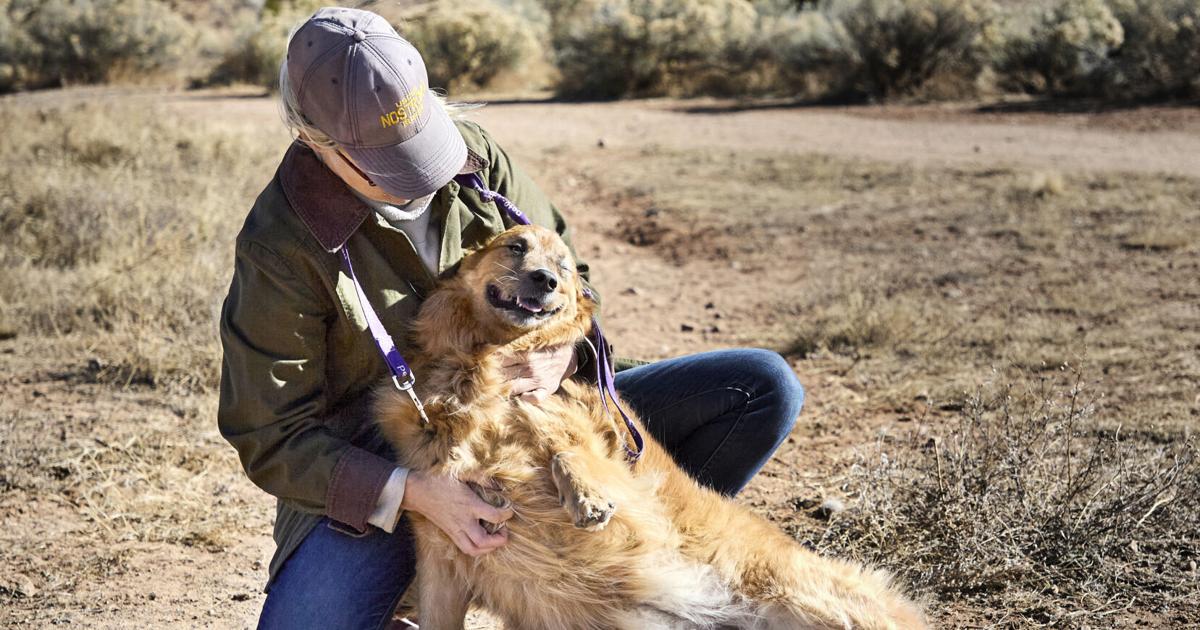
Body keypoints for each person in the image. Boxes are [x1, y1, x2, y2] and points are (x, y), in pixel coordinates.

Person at [217, 7, 805, 629]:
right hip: (397, 447)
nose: (419, 178)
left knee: (759, 388)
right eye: (387, 161)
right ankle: (432, 578)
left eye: (421, 142)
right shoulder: (280, 243)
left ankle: (607, 558)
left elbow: (574, 279)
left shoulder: (475, 155)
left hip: (535, 415)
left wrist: (561, 355)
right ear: (314, 138)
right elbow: (271, 434)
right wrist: (416, 493)